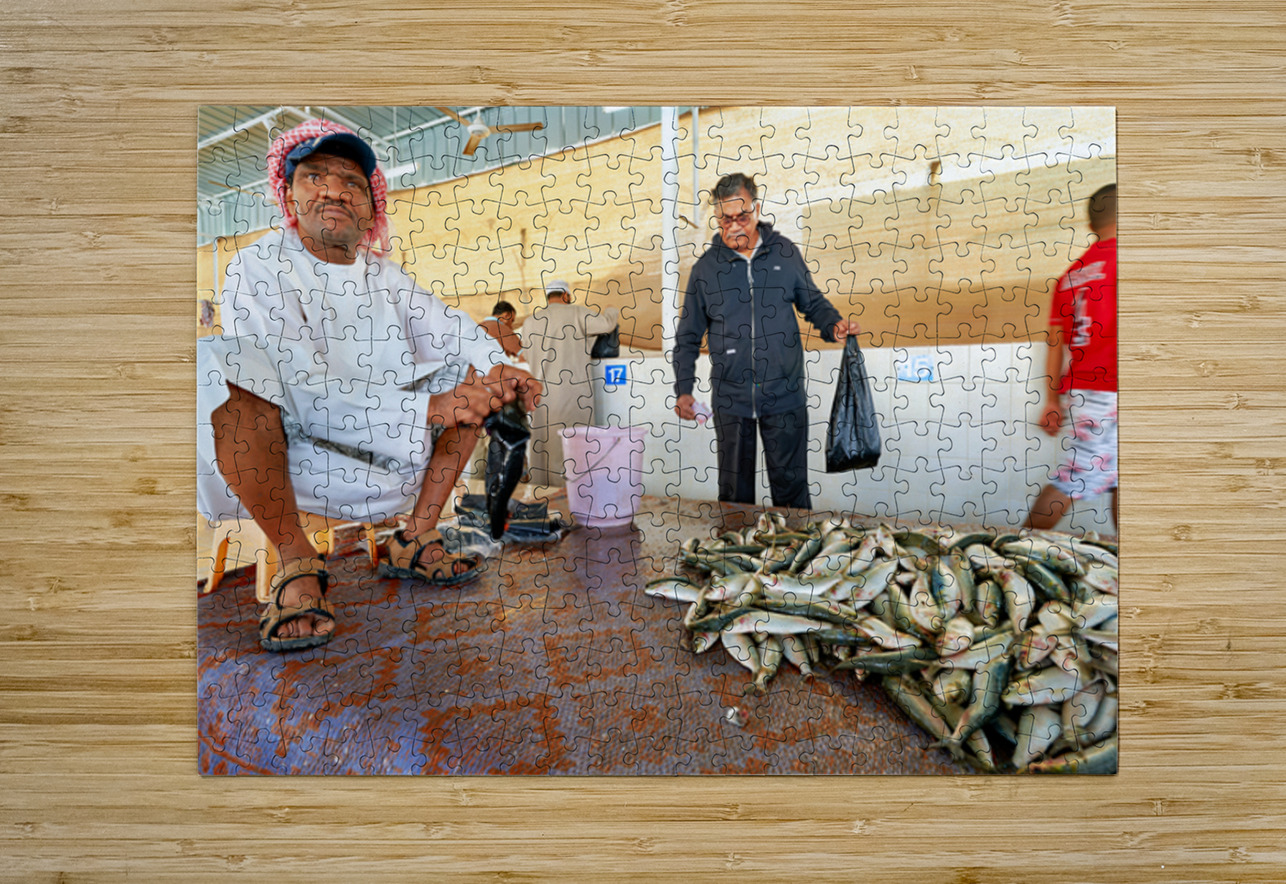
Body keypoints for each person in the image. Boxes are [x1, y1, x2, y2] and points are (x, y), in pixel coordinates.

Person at [197, 119, 540, 652]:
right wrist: (429, 408)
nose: (334, 190)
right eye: (315, 177)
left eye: (352, 183)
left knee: (472, 373)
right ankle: (296, 559)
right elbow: (302, 389)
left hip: (398, 467)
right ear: (289, 194)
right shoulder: (256, 266)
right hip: (294, 466)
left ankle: (415, 535)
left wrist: (499, 369)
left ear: (370, 209)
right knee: (218, 363)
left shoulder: (386, 276)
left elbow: (452, 329)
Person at [672, 173, 856, 509]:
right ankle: (735, 559)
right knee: (734, 497)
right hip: (731, 401)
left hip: (785, 397)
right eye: (725, 219)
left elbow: (812, 303)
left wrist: (834, 326)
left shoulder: (784, 253)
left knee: (791, 492)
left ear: (756, 210)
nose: (733, 226)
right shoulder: (705, 270)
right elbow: (686, 337)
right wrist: (683, 388)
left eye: (741, 217)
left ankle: (795, 559)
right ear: (717, 218)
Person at [1025, 184, 1118, 531]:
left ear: (1092, 225)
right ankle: (1017, 549)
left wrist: (1052, 400)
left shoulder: (1069, 277)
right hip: (1113, 391)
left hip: (1083, 391)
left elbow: (1055, 343)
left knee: (1119, 476)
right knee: (1072, 478)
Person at [519, 279, 620, 487]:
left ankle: (543, 502)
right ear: (566, 295)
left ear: (547, 297)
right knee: (573, 453)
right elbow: (607, 324)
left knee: (542, 452)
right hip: (571, 396)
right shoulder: (576, 312)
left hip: (539, 399)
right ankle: (570, 504)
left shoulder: (529, 322)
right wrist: (611, 309)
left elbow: (527, 356)